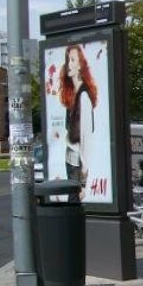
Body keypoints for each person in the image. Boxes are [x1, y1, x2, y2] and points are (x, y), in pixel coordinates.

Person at [58, 44, 97, 201]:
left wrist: (85, 169)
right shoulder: (72, 95)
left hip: (77, 161)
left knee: (74, 202)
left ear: (81, 65)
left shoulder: (83, 96)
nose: (69, 64)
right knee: (72, 201)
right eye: (68, 60)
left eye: (73, 60)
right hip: (71, 158)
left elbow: (87, 132)